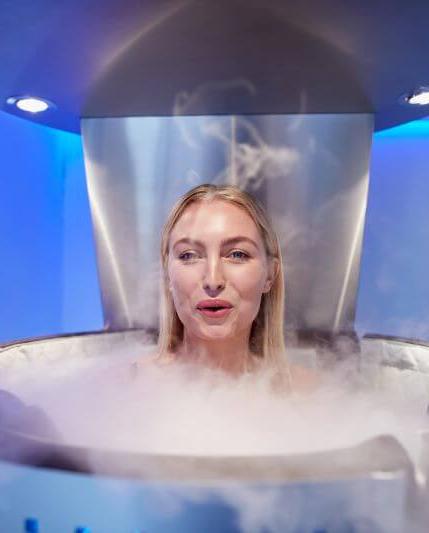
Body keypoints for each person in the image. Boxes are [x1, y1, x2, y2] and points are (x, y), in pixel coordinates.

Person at [136, 183, 319, 394]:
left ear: (270, 274)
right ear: (167, 274)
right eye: (189, 255)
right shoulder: (127, 389)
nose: (213, 281)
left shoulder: (309, 394)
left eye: (237, 254)